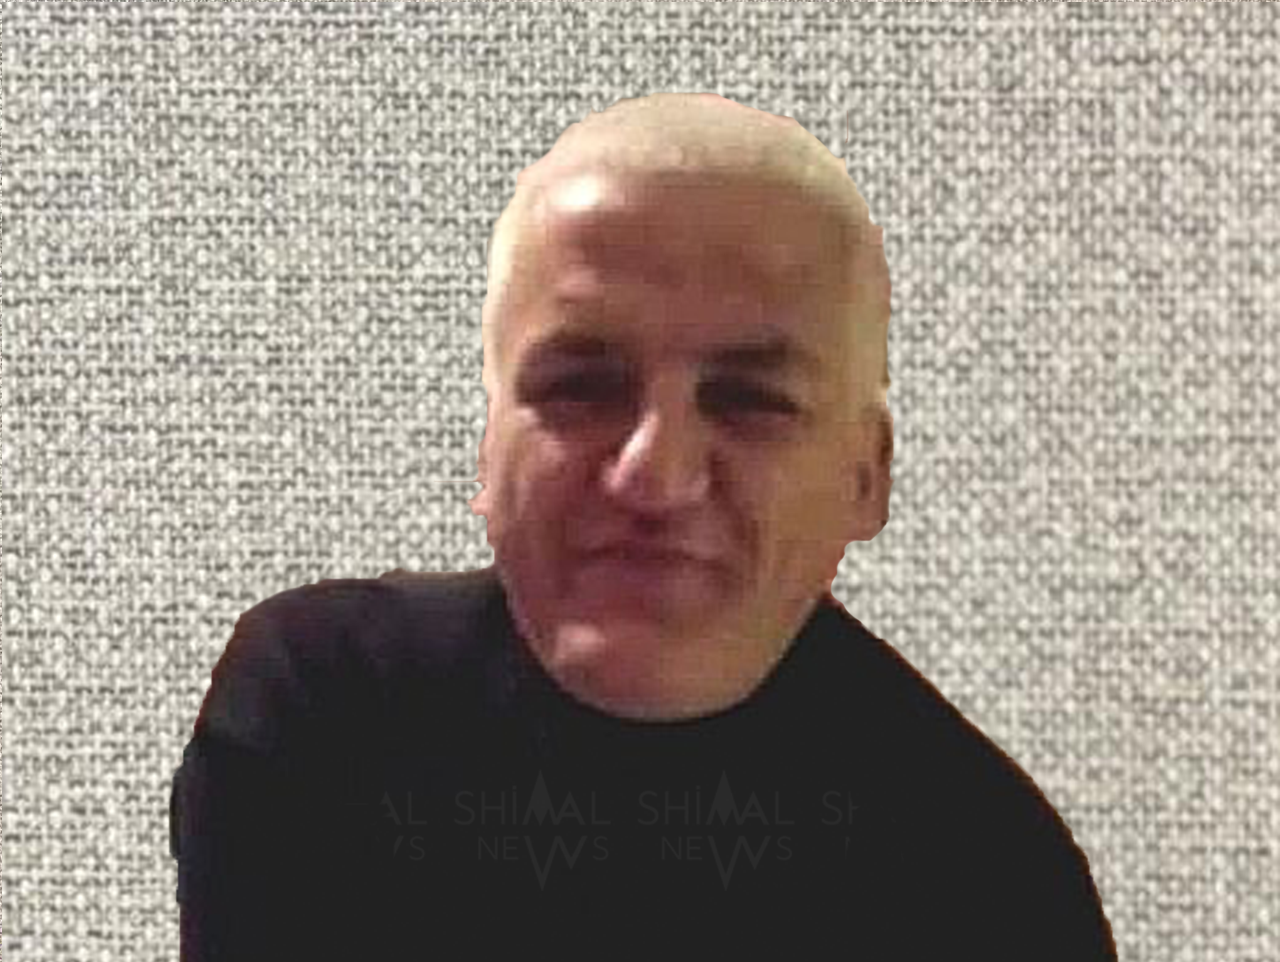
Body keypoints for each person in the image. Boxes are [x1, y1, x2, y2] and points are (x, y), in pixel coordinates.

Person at [170, 93, 1118, 960]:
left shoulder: (989, 888)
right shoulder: (326, 715)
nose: (654, 477)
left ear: (865, 478)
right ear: (486, 451)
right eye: (580, 387)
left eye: (750, 400)